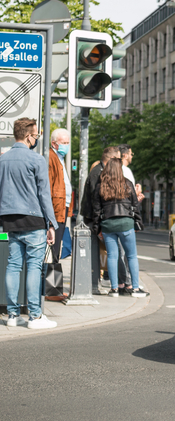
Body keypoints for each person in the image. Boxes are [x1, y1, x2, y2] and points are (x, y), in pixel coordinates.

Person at [0, 118, 58, 329]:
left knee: (13, 265)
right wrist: (51, 223)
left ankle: (13, 315)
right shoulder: (36, 160)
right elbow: (44, 195)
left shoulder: (2, 160)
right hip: (34, 219)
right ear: (28, 136)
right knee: (33, 266)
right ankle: (35, 316)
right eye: (36, 136)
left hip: (10, 221)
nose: (36, 139)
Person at [92, 158, 148, 297]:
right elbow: (135, 206)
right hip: (126, 224)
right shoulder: (127, 184)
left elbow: (96, 210)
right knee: (131, 256)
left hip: (108, 225)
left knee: (112, 256)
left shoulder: (101, 186)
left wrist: (97, 228)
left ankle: (114, 289)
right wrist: (138, 223)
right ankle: (135, 289)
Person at [81, 146, 121, 295]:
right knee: (96, 253)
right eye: (117, 159)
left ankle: (95, 283)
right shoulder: (98, 173)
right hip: (94, 219)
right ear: (110, 159)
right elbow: (95, 201)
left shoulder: (98, 170)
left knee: (100, 252)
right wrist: (98, 224)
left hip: (94, 217)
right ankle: (93, 284)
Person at [47, 128, 72, 264]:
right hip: (56, 208)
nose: (66, 146)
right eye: (64, 142)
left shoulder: (59, 158)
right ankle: (50, 281)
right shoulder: (52, 157)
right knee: (53, 248)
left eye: (68, 143)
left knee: (56, 248)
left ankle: (51, 280)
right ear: (54, 143)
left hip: (61, 206)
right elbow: (50, 186)